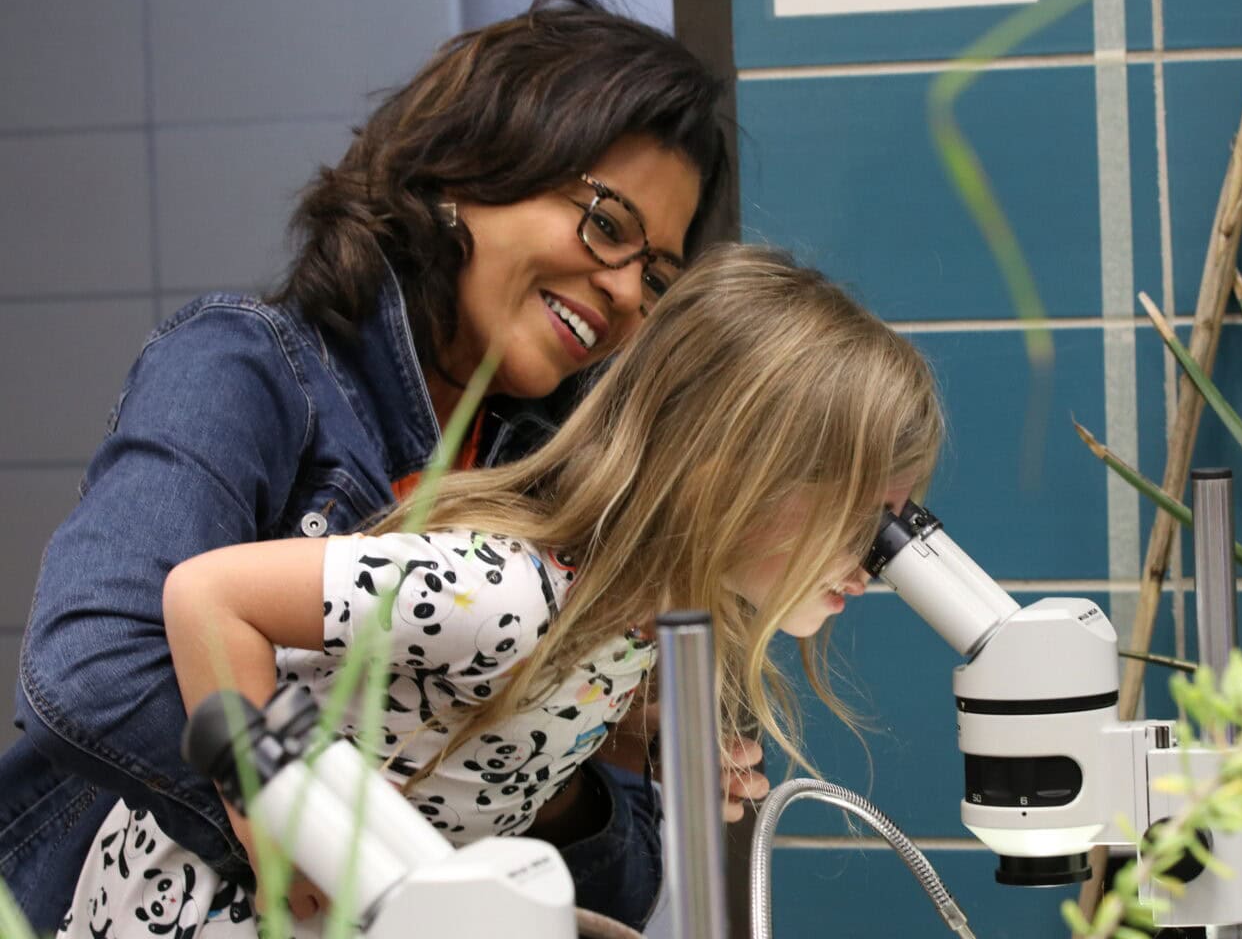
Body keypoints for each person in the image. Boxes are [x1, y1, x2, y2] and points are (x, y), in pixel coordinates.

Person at [0, 0, 727, 931]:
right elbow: (94, 661)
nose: (626, 291)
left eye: (657, 275)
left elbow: (621, 882)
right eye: (607, 224)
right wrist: (322, 832)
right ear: (469, 168)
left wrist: (544, 752)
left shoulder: (568, 475)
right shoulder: (247, 366)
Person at [56, 243, 945, 938]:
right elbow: (208, 596)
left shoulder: (629, 631)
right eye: (868, 518)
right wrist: (267, 827)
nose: (876, 561)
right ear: (736, 480)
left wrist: (641, 744)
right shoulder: (501, 596)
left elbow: (479, 729)